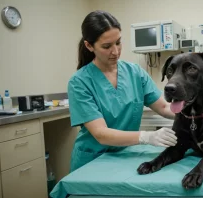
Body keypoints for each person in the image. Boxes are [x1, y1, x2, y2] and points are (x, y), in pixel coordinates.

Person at [67, 10, 177, 172]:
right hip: (93, 159)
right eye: (107, 46)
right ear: (89, 46)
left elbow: (163, 107)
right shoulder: (80, 82)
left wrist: (200, 111)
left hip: (126, 154)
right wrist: (146, 136)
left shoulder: (135, 73)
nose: (115, 51)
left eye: (118, 42)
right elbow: (101, 133)